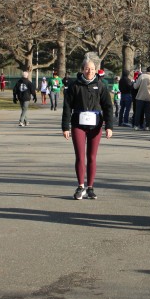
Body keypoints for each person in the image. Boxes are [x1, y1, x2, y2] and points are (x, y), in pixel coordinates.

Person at [62, 54, 114, 200]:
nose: (89, 71)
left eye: (92, 69)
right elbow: (67, 107)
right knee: (80, 156)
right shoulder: (74, 85)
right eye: (86, 69)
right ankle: (80, 187)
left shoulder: (101, 86)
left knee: (91, 157)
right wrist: (65, 127)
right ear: (82, 69)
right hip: (78, 125)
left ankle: (90, 187)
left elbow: (108, 107)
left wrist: (109, 126)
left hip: (95, 126)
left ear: (96, 70)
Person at [133, 66, 150, 130]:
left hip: (140, 96)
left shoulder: (142, 76)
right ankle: (147, 126)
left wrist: (133, 83)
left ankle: (136, 126)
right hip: (149, 97)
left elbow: (135, 86)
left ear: (146, 70)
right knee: (147, 113)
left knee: (138, 112)